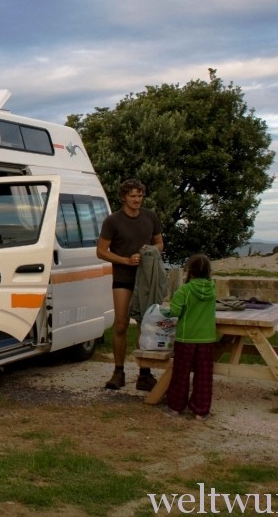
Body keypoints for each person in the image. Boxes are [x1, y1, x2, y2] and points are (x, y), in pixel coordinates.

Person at [97, 178, 164, 391]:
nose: (137, 200)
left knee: (146, 325)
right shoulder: (113, 221)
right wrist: (126, 260)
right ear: (124, 197)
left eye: (140, 196)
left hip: (146, 279)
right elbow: (101, 251)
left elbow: (160, 243)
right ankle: (118, 372)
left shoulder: (150, 216)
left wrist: (150, 251)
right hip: (123, 278)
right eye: (133, 196)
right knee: (120, 324)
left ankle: (145, 373)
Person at [163, 254, 218, 420]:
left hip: (186, 338)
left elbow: (175, 312)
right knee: (204, 376)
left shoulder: (185, 290)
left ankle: (175, 407)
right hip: (207, 338)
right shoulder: (212, 288)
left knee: (181, 374)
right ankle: (200, 411)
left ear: (190, 271)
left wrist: (166, 311)